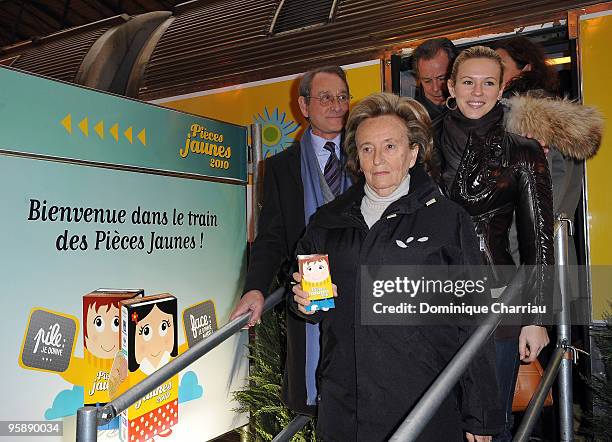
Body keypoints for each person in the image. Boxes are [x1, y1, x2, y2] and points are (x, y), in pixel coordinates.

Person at [292, 92, 504, 441]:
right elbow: (305, 299)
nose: (378, 159)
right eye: (366, 149)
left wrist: (481, 417)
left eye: (390, 146)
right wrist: (301, 299)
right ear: (357, 158)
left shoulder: (447, 221)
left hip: (423, 407)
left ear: (413, 153)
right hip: (345, 407)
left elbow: (475, 320)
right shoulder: (327, 222)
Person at [434, 45, 555, 442]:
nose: (477, 91)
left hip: (497, 301)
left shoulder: (524, 149)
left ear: (502, 87)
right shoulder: (419, 144)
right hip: (428, 297)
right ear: (450, 86)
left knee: (492, 421)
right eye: (467, 81)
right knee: (438, 420)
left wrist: (536, 317)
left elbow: (538, 237)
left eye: (489, 82)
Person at [229, 66, 352, 415]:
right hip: (307, 295)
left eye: (343, 97)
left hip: (361, 292)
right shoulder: (281, 167)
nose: (337, 105)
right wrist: (255, 288)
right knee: (318, 398)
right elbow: (270, 238)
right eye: (326, 97)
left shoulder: (366, 156)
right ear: (303, 105)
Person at [411, 38, 457, 124]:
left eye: (441, 78)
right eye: (427, 81)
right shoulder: (410, 118)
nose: (436, 88)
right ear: (418, 80)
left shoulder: (472, 106)